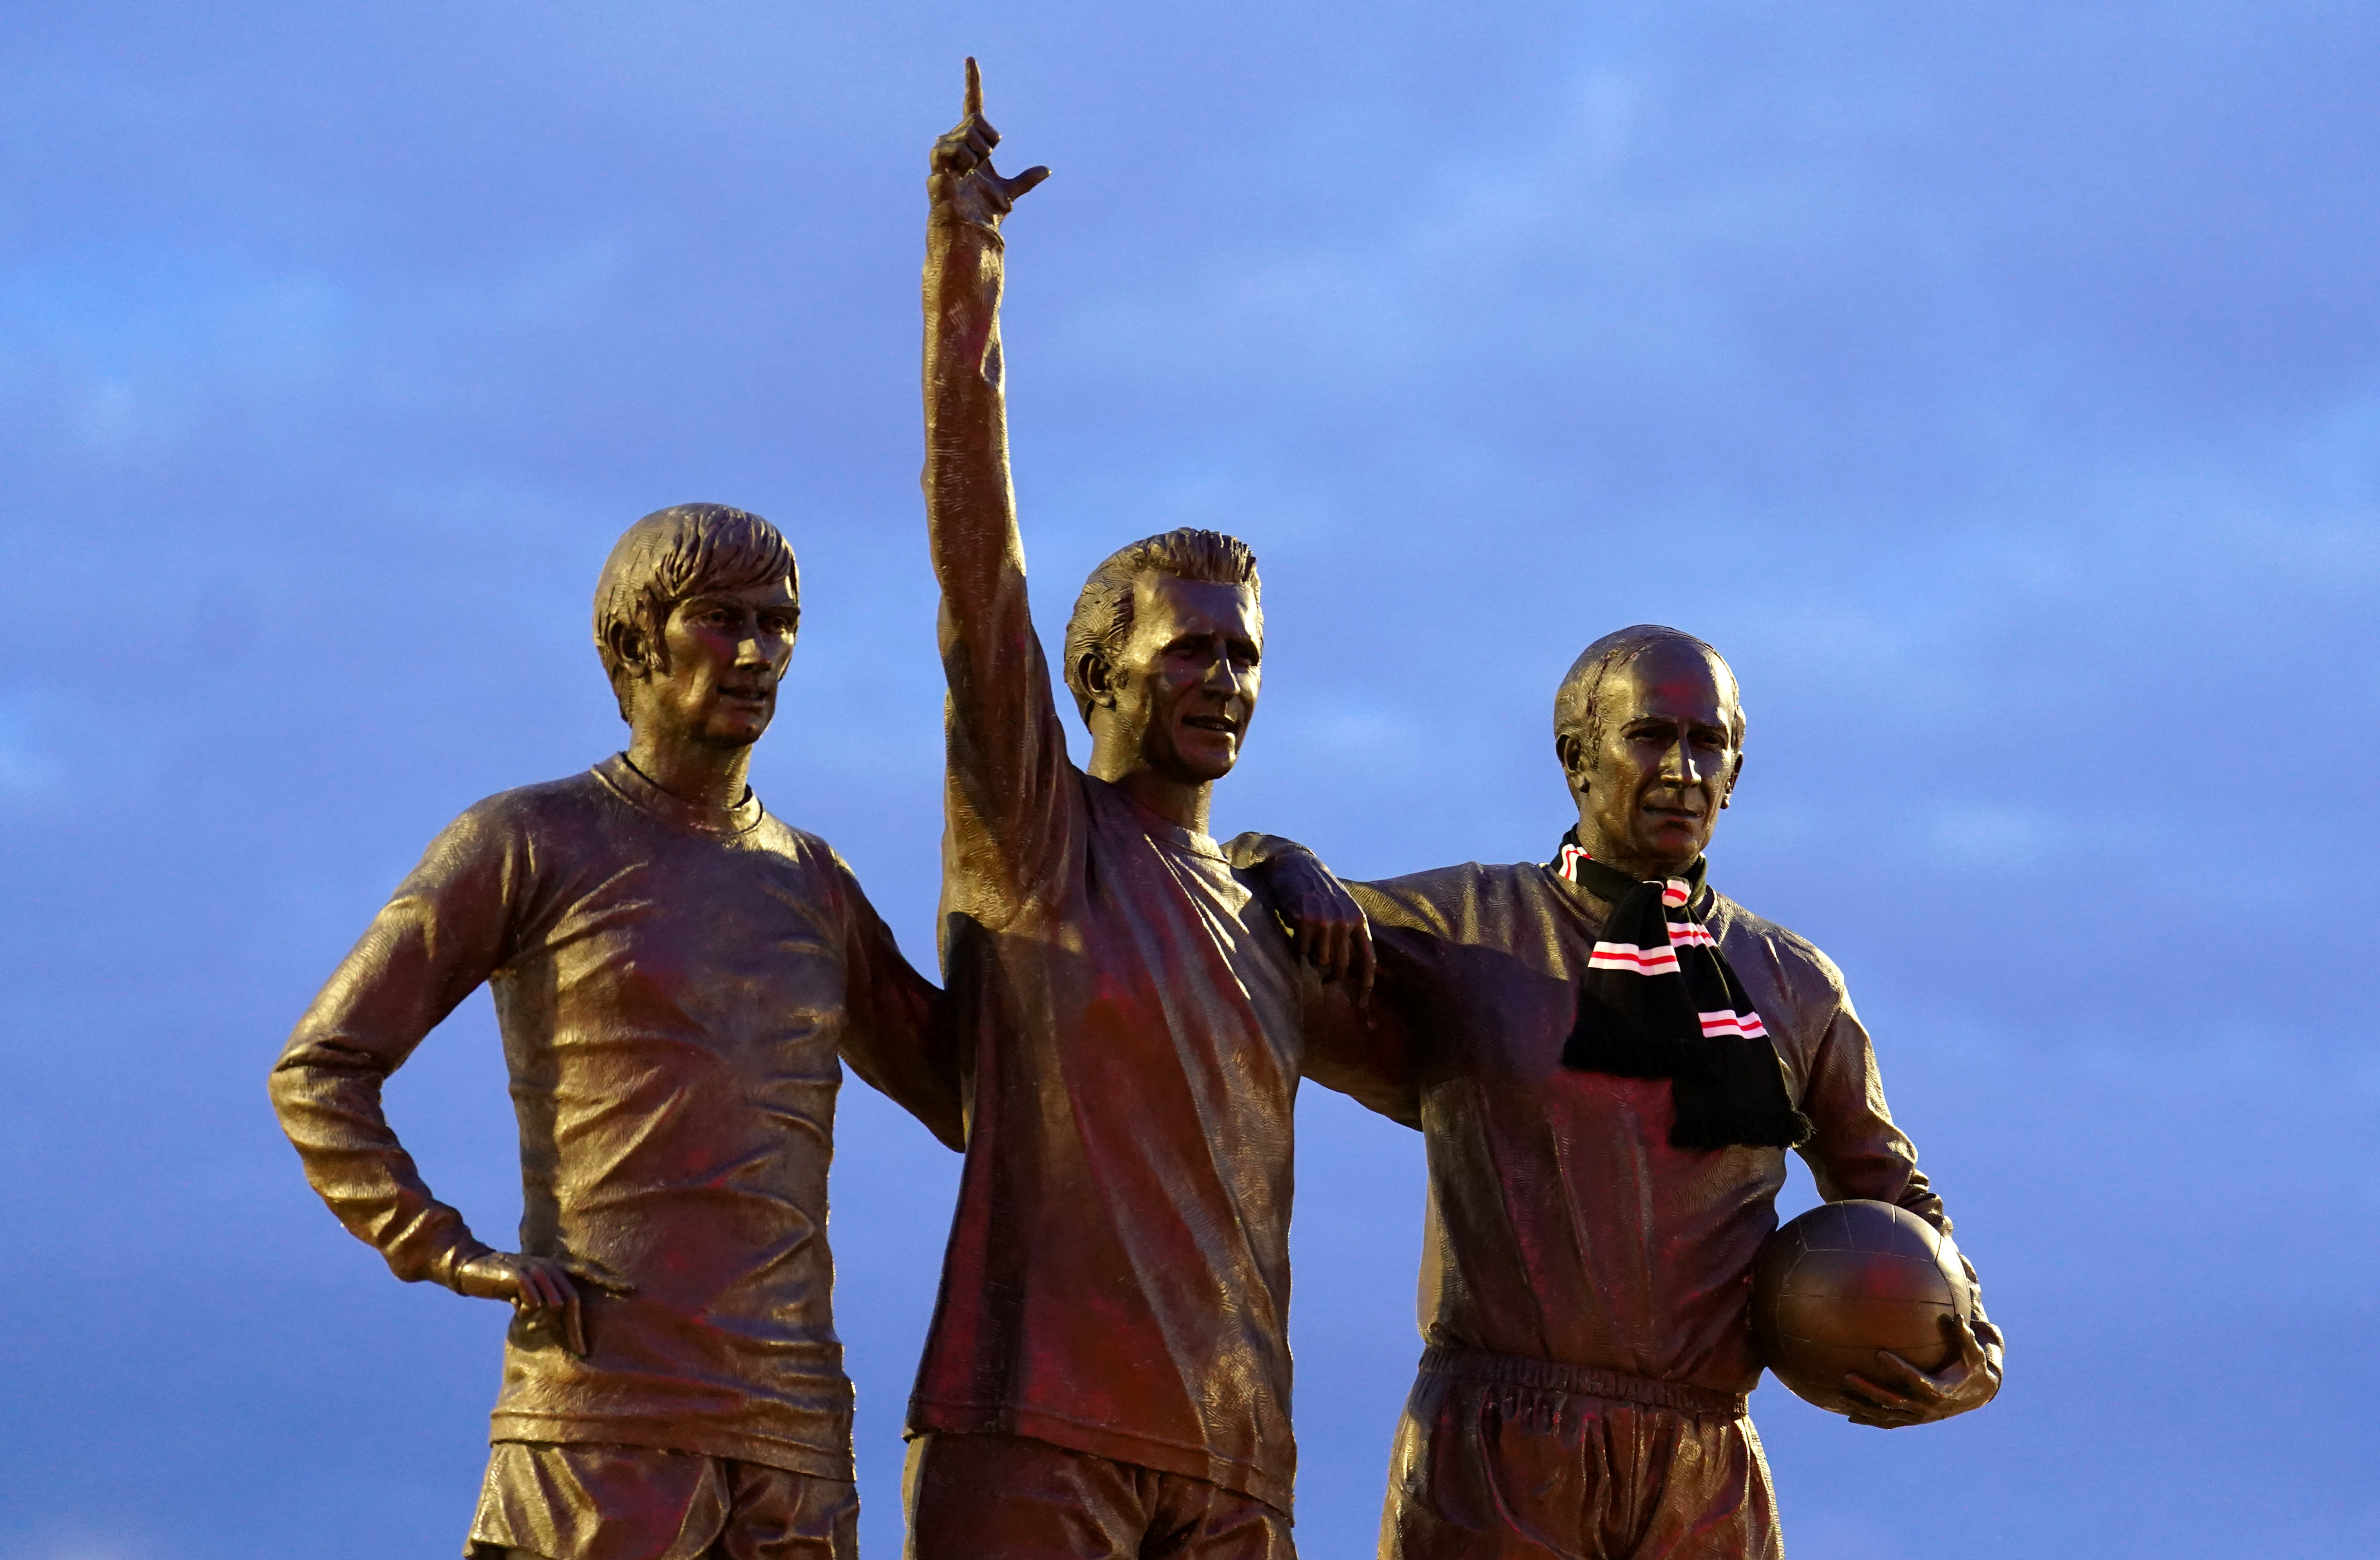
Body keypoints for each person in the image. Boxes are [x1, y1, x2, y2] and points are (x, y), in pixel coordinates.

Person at [901, 60, 1389, 1560]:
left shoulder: (1272, 916)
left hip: (1237, 1463)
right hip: (1038, 1434)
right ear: (1097, 668)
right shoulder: (1038, 836)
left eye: (1246, 653)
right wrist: (967, 276)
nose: (1227, 677)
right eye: (1192, 647)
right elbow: (978, 561)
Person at [268, 503, 960, 1560]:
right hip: (601, 1423)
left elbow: (971, 1099)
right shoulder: (530, 839)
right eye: (720, 619)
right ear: (634, 644)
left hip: (794, 1437)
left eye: (779, 624)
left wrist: (1233, 870)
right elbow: (321, 1070)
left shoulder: (816, 883)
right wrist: (444, 1248)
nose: (756, 652)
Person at [1263, 625, 2004, 1559]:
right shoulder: (1462, 931)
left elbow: (1899, 1203)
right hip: (1499, 1454)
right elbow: (1232, 931)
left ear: (1736, 771)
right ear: (1576, 756)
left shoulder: (1796, 984)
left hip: (1704, 1470)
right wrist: (1273, 856)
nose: (1685, 769)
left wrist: (1962, 1354)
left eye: (1710, 743)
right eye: (1652, 735)